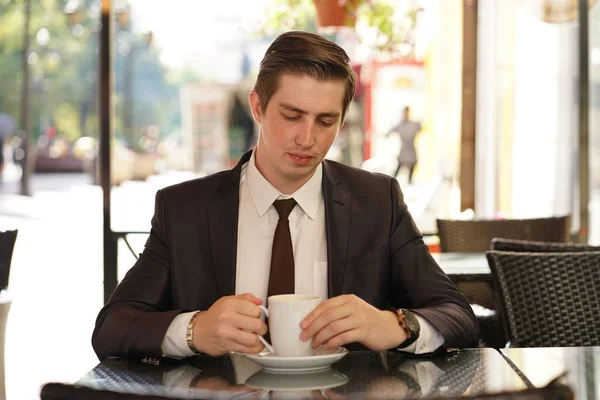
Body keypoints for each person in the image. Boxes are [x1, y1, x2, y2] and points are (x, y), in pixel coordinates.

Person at [92, 31, 478, 362]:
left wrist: (396, 325)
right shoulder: (185, 209)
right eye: (292, 116)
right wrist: (195, 330)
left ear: (341, 121)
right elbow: (112, 328)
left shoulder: (377, 200)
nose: (307, 139)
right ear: (257, 107)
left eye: (326, 121)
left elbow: (457, 316)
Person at [386, 106, 421, 184]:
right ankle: (391, 184)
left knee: (411, 172)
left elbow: (420, 126)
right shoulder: (400, 125)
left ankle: (410, 183)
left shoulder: (413, 124)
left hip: (411, 150)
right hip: (403, 151)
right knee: (397, 170)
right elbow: (390, 131)